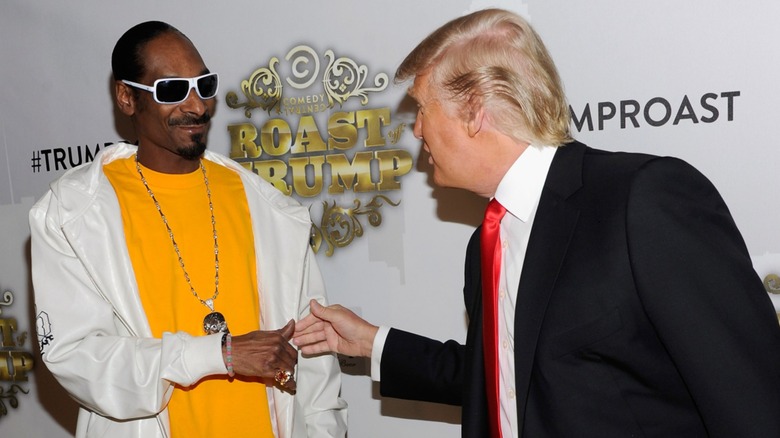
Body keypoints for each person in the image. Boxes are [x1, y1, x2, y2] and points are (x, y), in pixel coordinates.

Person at [293, 8, 780, 438]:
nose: (417, 129)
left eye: (422, 108)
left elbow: (749, 395)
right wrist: (372, 342)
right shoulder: (487, 240)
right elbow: (513, 379)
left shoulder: (642, 199)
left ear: (475, 111)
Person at [29, 21, 346, 438]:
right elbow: (80, 359)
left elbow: (313, 354)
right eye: (172, 91)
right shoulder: (73, 214)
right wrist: (219, 355)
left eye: (204, 85)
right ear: (127, 98)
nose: (197, 106)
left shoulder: (266, 206)